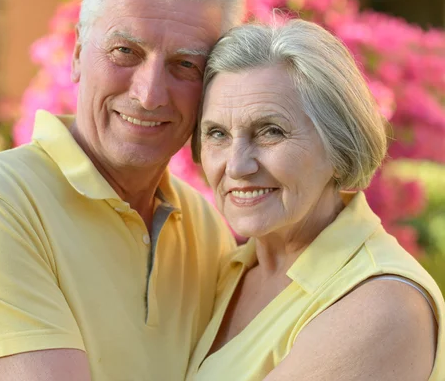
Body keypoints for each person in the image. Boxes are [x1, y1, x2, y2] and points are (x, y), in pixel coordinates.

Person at [0, 0, 243, 380]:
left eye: (185, 65)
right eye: (125, 52)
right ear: (77, 54)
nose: (149, 95)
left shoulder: (205, 226)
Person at [186, 19, 445, 381]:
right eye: (217, 134)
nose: (237, 165)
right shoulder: (229, 271)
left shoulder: (381, 303)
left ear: (339, 147)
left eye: (271, 131)